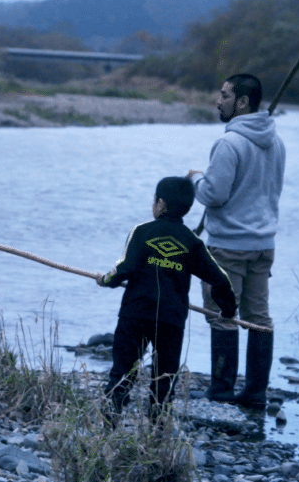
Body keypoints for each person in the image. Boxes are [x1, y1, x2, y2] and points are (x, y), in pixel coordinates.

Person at [97, 177, 237, 420]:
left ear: (160, 203)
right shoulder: (192, 243)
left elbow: (123, 269)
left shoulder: (141, 232)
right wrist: (227, 311)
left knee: (122, 371)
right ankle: (158, 431)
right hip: (171, 321)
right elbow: (220, 279)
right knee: (164, 379)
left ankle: (109, 425)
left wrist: (105, 280)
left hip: (135, 315)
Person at [187, 73, 285, 409]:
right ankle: (255, 394)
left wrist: (196, 181)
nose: (218, 100)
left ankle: (222, 391)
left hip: (228, 245)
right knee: (260, 317)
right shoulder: (276, 142)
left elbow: (214, 195)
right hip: (263, 244)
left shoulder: (229, 144)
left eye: (225, 95)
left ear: (242, 102)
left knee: (223, 315)